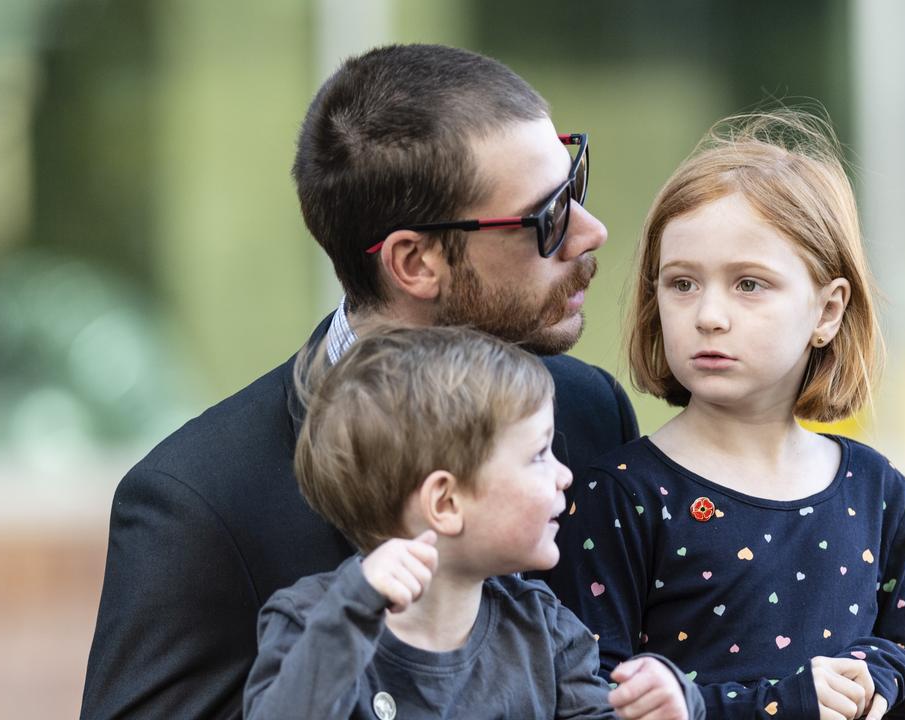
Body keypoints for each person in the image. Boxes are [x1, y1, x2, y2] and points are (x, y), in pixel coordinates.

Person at [83, 44, 637, 719]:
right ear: (414, 262)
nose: (591, 231)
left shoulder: (588, 411)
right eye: (546, 218)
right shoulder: (198, 501)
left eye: (574, 182)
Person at [545, 110, 905, 720]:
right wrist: (778, 704)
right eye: (682, 284)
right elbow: (583, 697)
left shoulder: (874, 489)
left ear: (828, 311)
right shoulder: (623, 494)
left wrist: (880, 682)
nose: (709, 314)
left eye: (749, 284)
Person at [242, 324, 703, 720]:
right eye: (539, 454)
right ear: (445, 502)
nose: (565, 474)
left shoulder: (544, 630)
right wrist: (353, 608)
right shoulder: (314, 621)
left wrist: (670, 702)